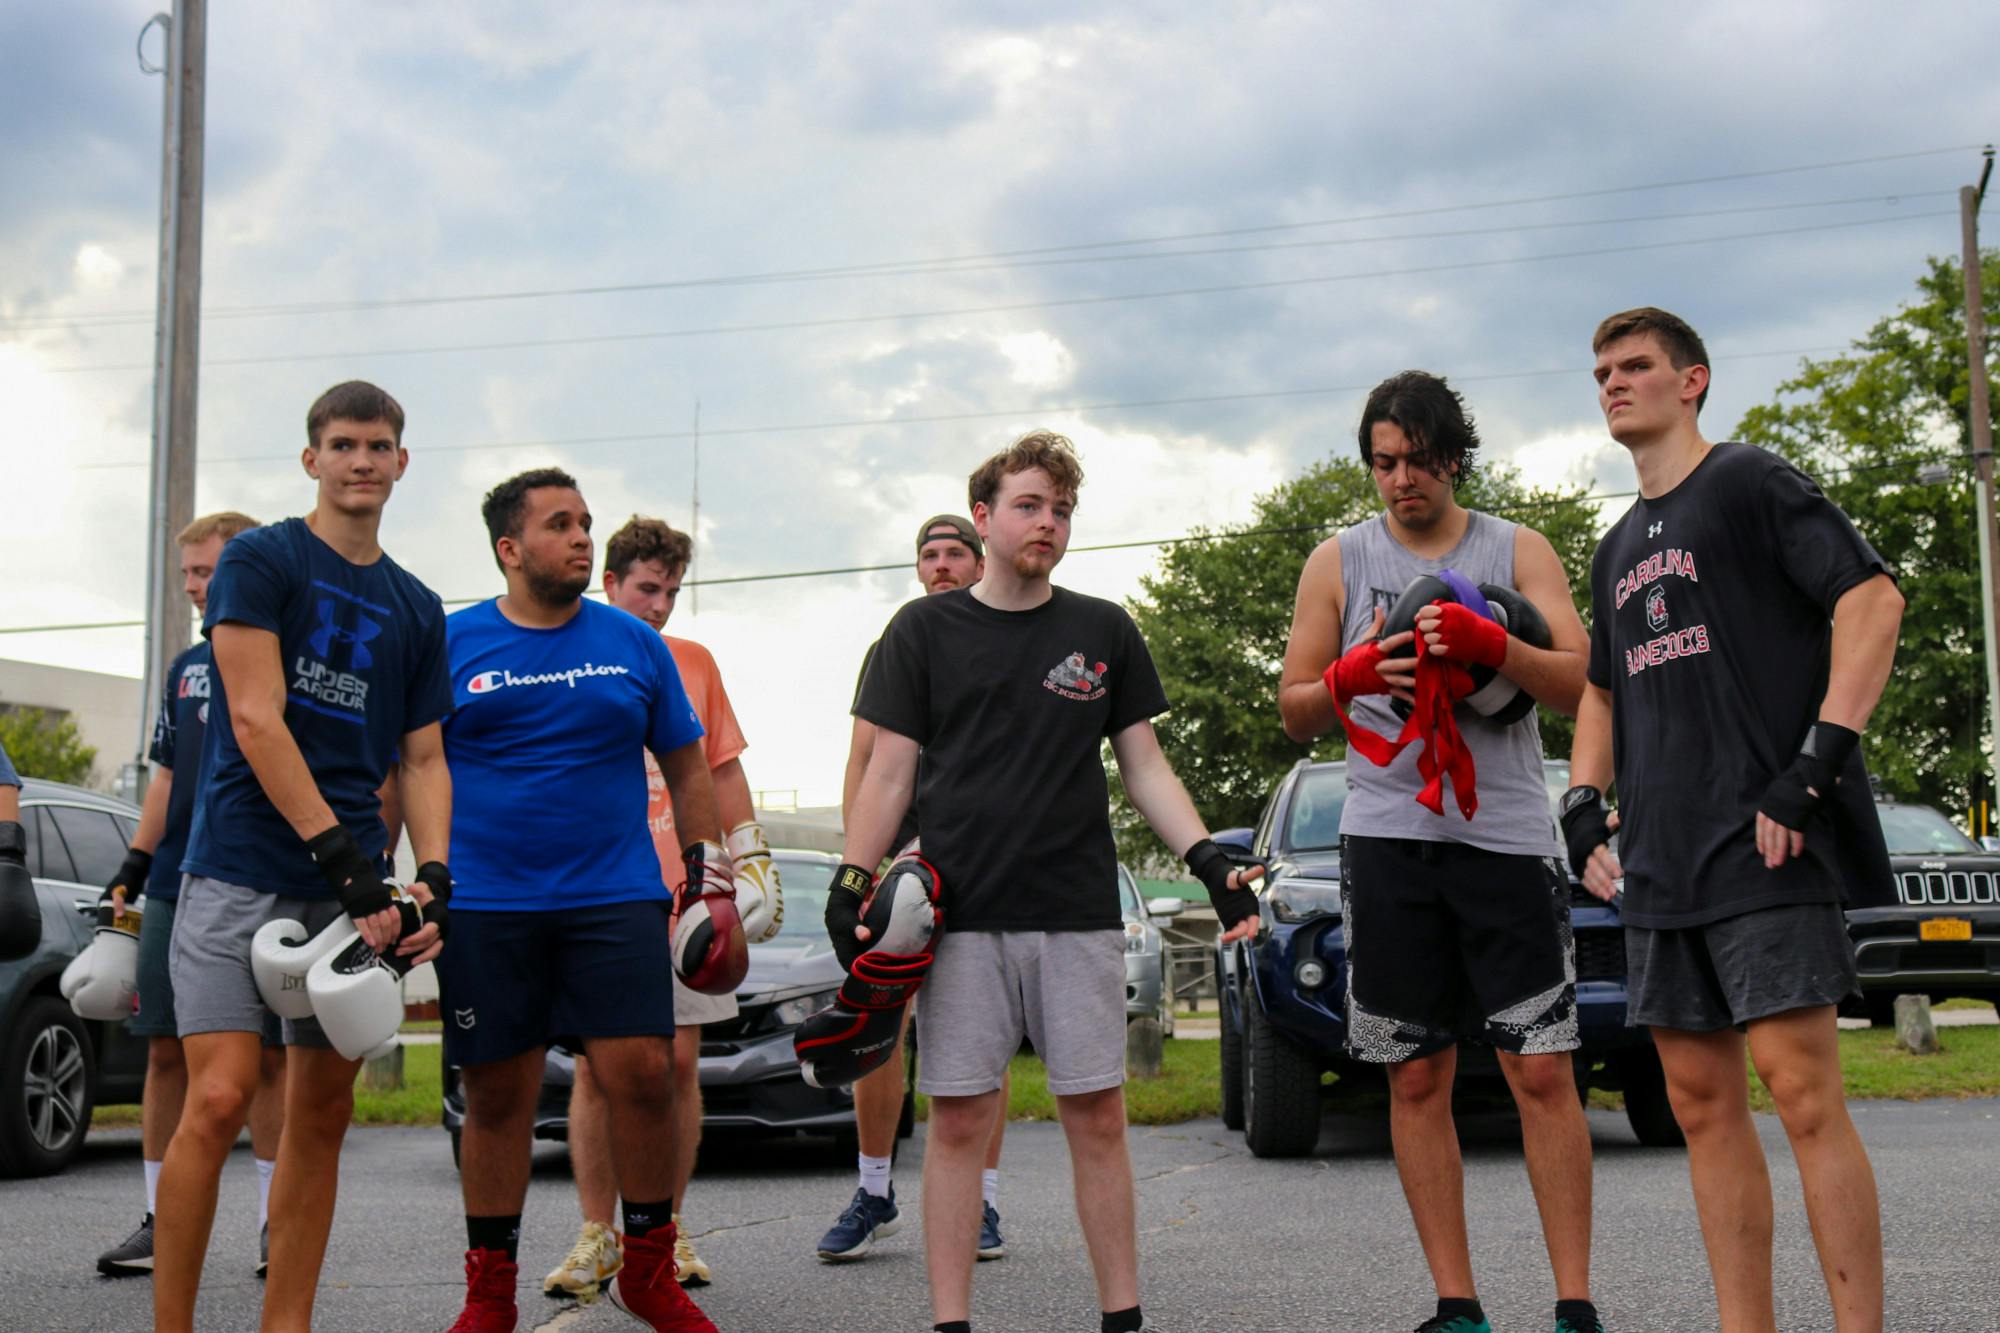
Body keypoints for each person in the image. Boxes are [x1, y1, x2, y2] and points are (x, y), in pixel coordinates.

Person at [841, 431, 1261, 1333]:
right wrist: (852, 873)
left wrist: (1209, 861)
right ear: (985, 517)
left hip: (1076, 913)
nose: (1050, 522)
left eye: (1063, 509)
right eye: (1030, 505)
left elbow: (1144, 767)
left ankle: (1123, 1317)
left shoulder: (1100, 627)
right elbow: (889, 772)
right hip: (960, 917)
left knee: (1097, 1116)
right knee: (958, 1122)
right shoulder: (922, 631)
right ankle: (951, 1320)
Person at [1565, 308, 1902, 1333]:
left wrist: (1813, 765)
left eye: (1635, 366)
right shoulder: (1615, 543)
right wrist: (1579, 811)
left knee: (1799, 1095)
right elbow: (1600, 690)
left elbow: (1871, 600)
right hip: (1659, 866)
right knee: (1701, 1112)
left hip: (1765, 841)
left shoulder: (1750, 482)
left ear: (1692, 380)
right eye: (1601, 372)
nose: (1613, 383)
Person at [1277, 370, 1603, 1333]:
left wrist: (1490, 643)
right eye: (1383, 462)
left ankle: (1574, 1305)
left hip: (1504, 839)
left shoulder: (1518, 546)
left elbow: (1582, 683)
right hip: (1387, 843)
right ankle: (1458, 1307)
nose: (1400, 479)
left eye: (1418, 460)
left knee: (1540, 1070)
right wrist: (1346, 673)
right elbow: (1296, 709)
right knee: (1413, 1073)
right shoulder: (1337, 560)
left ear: (1453, 457)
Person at [153, 382, 454, 1333]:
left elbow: (423, 756)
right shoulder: (261, 557)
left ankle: (287, 1325)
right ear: (311, 459)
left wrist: (432, 877)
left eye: (378, 445)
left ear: (402, 463)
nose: (361, 459)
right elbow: (253, 715)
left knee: (321, 1116)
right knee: (222, 1094)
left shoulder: (415, 604)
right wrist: (349, 866)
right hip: (240, 867)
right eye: (342, 443)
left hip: (351, 898)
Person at [437, 469, 722, 1333]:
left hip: (615, 894)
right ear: (509, 548)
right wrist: (397, 881)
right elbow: (407, 770)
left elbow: (686, 762)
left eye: (586, 522)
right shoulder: (451, 643)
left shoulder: (633, 644)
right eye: (560, 525)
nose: (581, 537)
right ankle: (489, 1296)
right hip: (487, 901)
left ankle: (646, 1269)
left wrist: (711, 879)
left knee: (644, 1073)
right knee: (496, 1095)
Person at [538, 514, 784, 1300]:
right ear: (610, 583)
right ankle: (595, 1234)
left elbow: (722, 768)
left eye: (672, 592)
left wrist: (748, 854)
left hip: (683, 890)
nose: (659, 606)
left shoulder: (693, 662)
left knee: (678, 1063)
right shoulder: (570, 650)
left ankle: (664, 1234)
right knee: (596, 1069)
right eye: (647, 588)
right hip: (597, 888)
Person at [97, 511, 290, 1281]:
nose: (194, 587)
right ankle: (156, 1218)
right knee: (166, 1052)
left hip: (262, 879)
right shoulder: (184, 668)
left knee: (272, 1059)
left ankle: (279, 1224)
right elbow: (168, 779)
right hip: (179, 880)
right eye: (187, 575)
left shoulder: (286, 657)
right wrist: (134, 867)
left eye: (205, 572)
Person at [817, 513, 1012, 1264]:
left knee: (978, 1035)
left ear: (978, 558)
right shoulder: (897, 642)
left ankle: (985, 1203)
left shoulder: (1007, 637)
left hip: (984, 859)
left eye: (953, 551)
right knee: (880, 1025)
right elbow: (865, 760)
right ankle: (874, 1190)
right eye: (927, 554)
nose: (939, 564)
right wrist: (859, 869)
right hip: (902, 864)